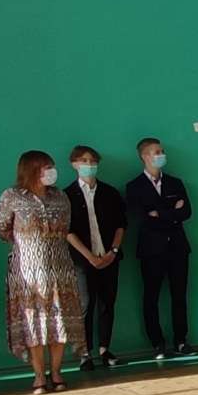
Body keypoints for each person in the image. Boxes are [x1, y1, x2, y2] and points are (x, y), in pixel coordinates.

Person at [0, 150, 84, 393]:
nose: (51, 172)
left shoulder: (60, 196)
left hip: (60, 268)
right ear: (31, 170)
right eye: (46, 167)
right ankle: (38, 376)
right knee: (33, 322)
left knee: (59, 322)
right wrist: (28, 243)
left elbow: (66, 226)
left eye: (51, 167)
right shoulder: (12, 196)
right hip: (27, 271)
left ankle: (56, 372)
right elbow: (2, 227)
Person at [126, 137, 193, 358]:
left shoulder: (176, 183)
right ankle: (157, 343)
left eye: (162, 151)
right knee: (151, 296)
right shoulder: (134, 187)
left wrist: (159, 213)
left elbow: (186, 212)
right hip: (151, 250)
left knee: (179, 296)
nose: (161, 155)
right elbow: (141, 218)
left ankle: (181, 340)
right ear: (144, 156)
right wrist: (172, 213)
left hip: (178, 248)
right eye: (156, 152)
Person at [64, 145, 126, 371]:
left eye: (92, 161)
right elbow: (67, 231)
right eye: (84, 160)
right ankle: (84, 353)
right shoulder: (66, 195)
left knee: (107, 303)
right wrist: (89, 256)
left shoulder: (110, 192)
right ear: (74, 164)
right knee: (86, 304)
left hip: (109, 257)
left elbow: (121, 225)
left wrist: (113, 252)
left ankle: (104, 349)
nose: (89, 165)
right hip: (82, 260)